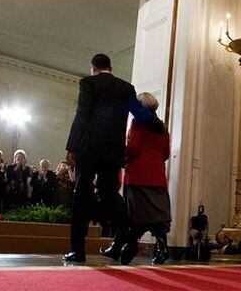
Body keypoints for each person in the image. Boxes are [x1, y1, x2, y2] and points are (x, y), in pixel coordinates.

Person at [62, 54, 164, 262]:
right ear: (110, 67)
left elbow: (82, 114)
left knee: (81, 195)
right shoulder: (126, 88)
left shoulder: (88, 83)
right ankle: (128, 235)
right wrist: (157, 124)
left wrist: (72, 146)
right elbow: (139, 113)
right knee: (109, 194)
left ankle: (77, 250)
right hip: (112, 152)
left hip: (89, 149)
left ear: (93, 68)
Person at [118, 92, 171, 265]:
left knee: (136, 215)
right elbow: (166, 153)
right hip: (157, 177)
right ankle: (162, 249)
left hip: (138, 175)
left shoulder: (138, 123)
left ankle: (129, 248)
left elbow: (132, 148)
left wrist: (120, 158)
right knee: (159, 217)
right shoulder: (163, 127)